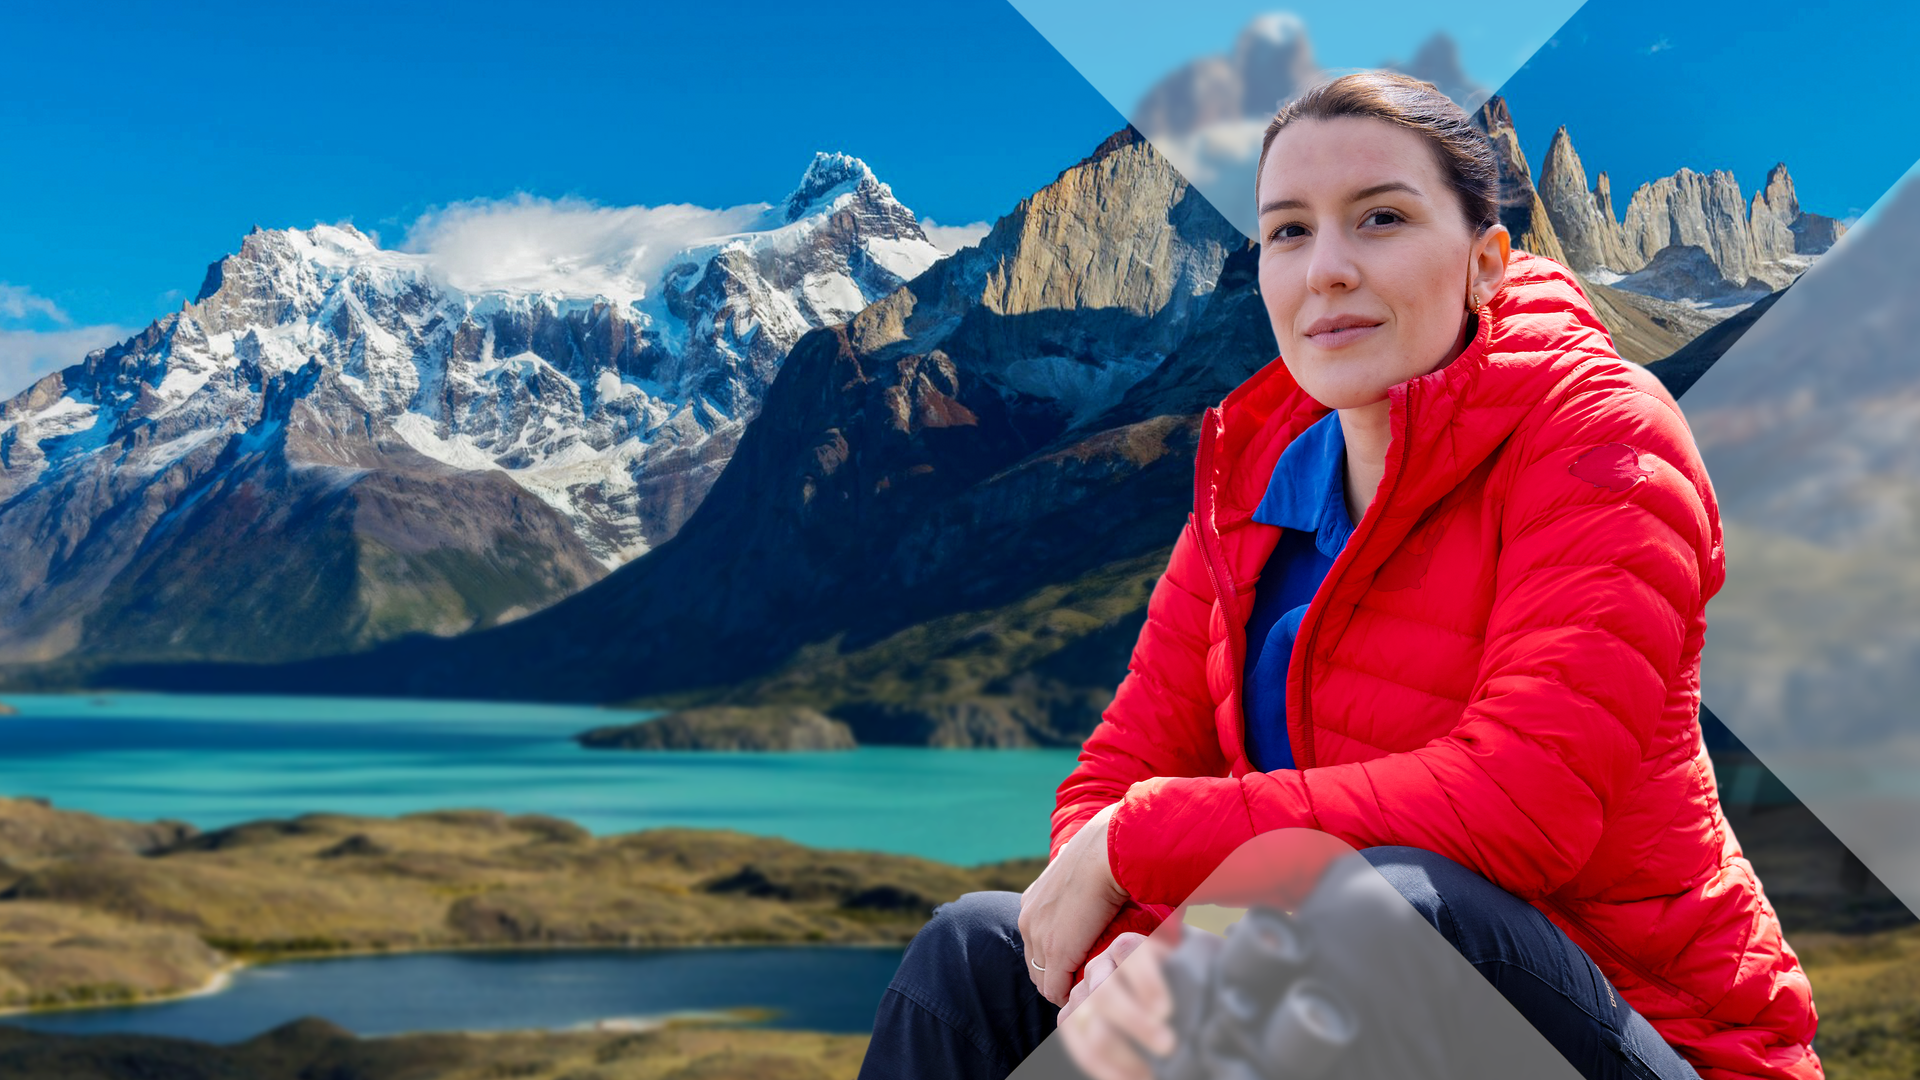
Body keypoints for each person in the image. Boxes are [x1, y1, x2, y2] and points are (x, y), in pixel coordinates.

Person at [856, 71, 1820, 1080]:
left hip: (1660, 1043)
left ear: (1486, 262)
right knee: (970, 959)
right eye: (1287, 231)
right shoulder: (1251, 484)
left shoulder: (1603, 440)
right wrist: (1122, 952)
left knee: (1367, 910)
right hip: (1337, 991)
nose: (1327, 270)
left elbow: (1522, 806)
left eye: (1382, 219)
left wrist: (1137, 850)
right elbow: (1119, 770)